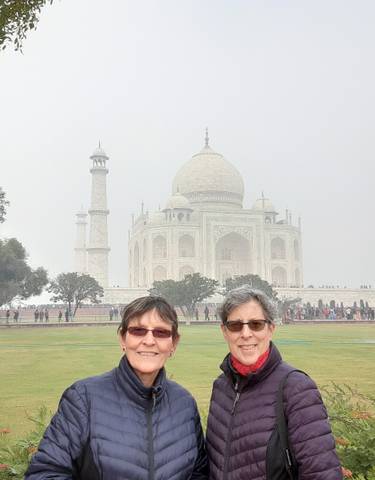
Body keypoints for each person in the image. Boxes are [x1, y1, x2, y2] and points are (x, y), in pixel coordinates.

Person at [25, 295, 208, 480]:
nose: (149, 340)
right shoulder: (84, 399)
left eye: (161, 332)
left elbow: (198, 473)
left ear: (174, 343)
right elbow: (45, 473)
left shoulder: (184, 403)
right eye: (138, 331)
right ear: (123, 339)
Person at [206, 286, 342, 479]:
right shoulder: (222, 387)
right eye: (236, 326)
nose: (246, 334)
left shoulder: (295, 388)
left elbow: (321, 472)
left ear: (271, 329)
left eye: (256, 324)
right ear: (225, 331)